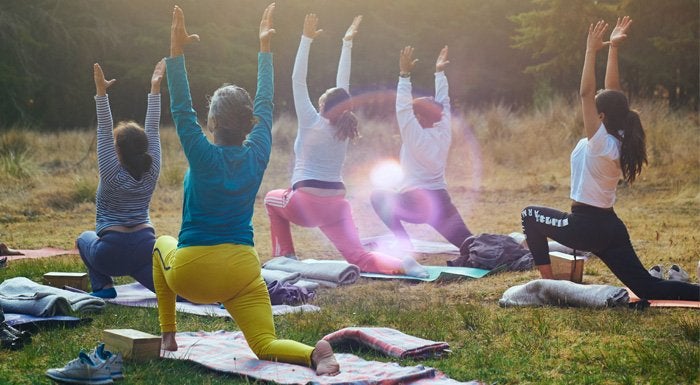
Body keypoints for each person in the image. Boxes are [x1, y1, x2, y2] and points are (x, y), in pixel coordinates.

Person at [153, 4, 340, 375]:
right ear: (248, 122)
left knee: (160, 241)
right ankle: (314, 353)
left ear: (214, 121)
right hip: (242, 270)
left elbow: (180, 108)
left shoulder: (202, 154)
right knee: (264, 344)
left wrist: (176, 53)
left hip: (193, 275)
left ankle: (168, 335)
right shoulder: (257, 154)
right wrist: (265, 51)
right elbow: (266, 105)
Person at [520, 17, 700, 301]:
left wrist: (591, 51)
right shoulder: (617, 135)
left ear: (601, 116)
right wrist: (613, 48)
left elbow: (585, 93)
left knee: (529, 215)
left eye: (597, 106)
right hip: (609, 227)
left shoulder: (601, 142)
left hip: (585, 227)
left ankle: (551, 287)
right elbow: (611, 91)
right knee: (648, 288)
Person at [264, 14, 427, 277]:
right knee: (359, 257)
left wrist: (306, 39)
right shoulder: (343, 126)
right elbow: (344, 86)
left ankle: (286, 256)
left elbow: (298, 79)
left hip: (304, 203)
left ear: (322, 104)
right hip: (337, 205)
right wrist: (347, 43)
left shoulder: (311, 121)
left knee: (271, 200)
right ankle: (404, 264)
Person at [75, 59, 165, 298]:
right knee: (172, 291)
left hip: (111, 253)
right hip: (146, 247)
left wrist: (101, 92)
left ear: (117, 150)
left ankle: (104, 288)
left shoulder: (111, 172)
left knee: (84, 238)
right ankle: (207, 294)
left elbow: (104, 129)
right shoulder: (152, 168)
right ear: (144, 148)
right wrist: (155, 89)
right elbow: (153, 128)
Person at [370, 45, 473, 252]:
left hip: (414, 203)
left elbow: (402, 109)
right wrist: (439, 73)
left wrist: (404, 75)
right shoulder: (444, 131)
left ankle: (403, 243)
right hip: (441, 202)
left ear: (420, 117)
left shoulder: (414, 136)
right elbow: (444, 102)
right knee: (471, 245)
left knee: (378, 196)